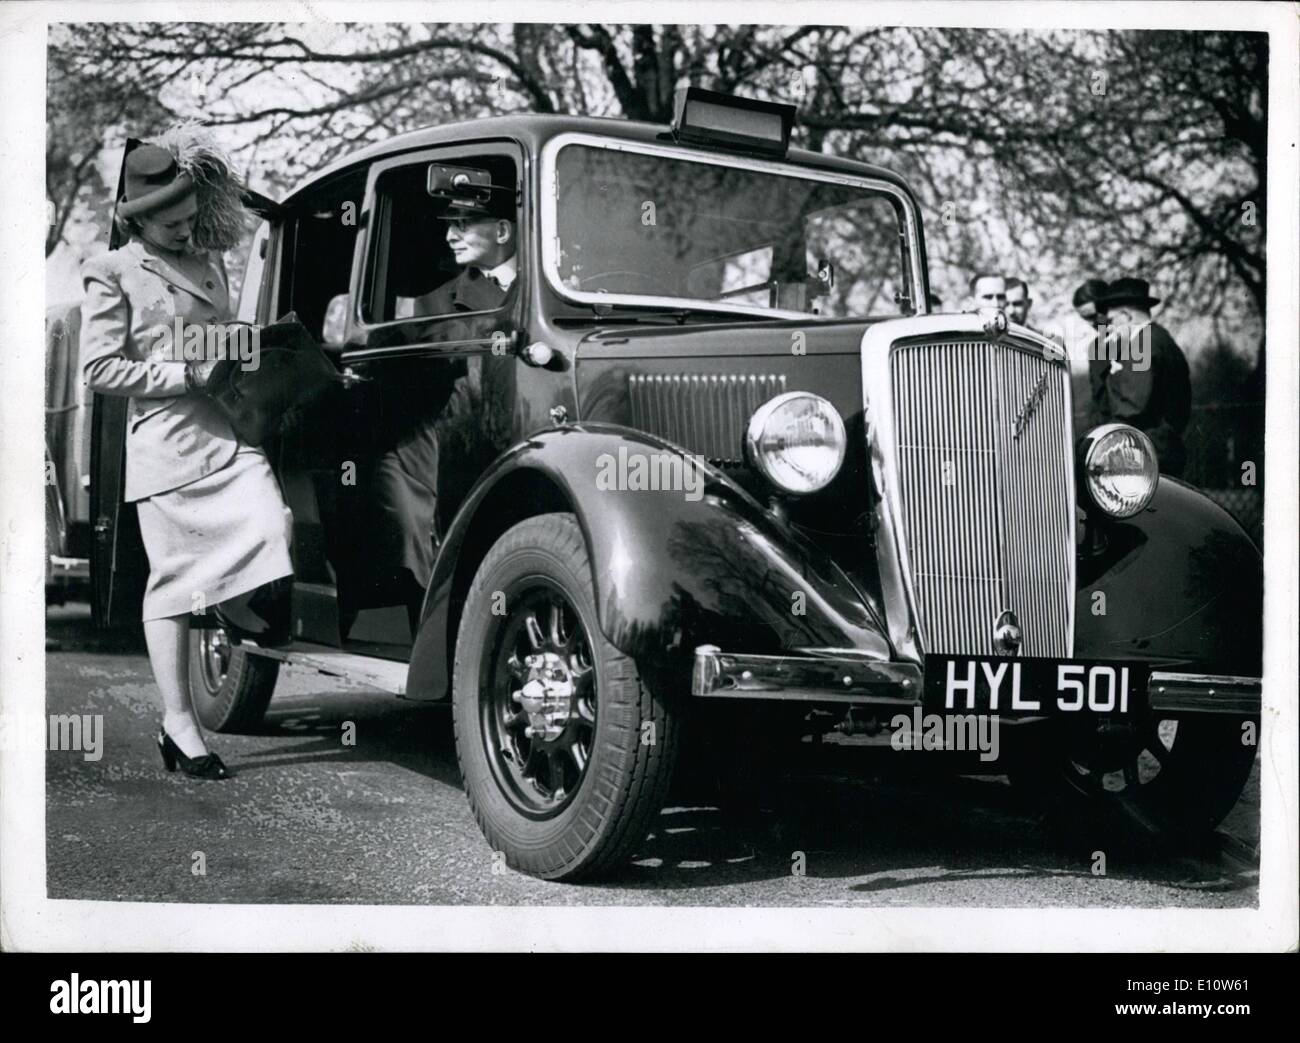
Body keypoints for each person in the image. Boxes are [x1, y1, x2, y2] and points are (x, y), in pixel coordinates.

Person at [80, 125, 293, 780]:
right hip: (167, 445)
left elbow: (223, 340)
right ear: (138, 218)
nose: (184, 231)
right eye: (171, 223)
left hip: (228, 432)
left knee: (272, 524)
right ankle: (179, 724)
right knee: (172, 584)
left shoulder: (210, 263)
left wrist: (257, 352)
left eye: (191, 218)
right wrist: (180, 372)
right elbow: (99, 369)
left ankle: (235, 604)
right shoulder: (110, 270)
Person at [374, 185, 517, 631]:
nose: (451, 236)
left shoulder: (550, 291)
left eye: (463, 224)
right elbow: (405, 377)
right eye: (448, 226)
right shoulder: (433, 304)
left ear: (502, 230)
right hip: (462, 453)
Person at [1090, 277, 1191, 476]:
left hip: (1146, 456)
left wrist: (1098, 448)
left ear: (1127, 317)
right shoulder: (1158, 338)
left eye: (1110, 321)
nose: (1107, 328)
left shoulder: (1143, 344)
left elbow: (1131, 409)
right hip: (1159, 452)